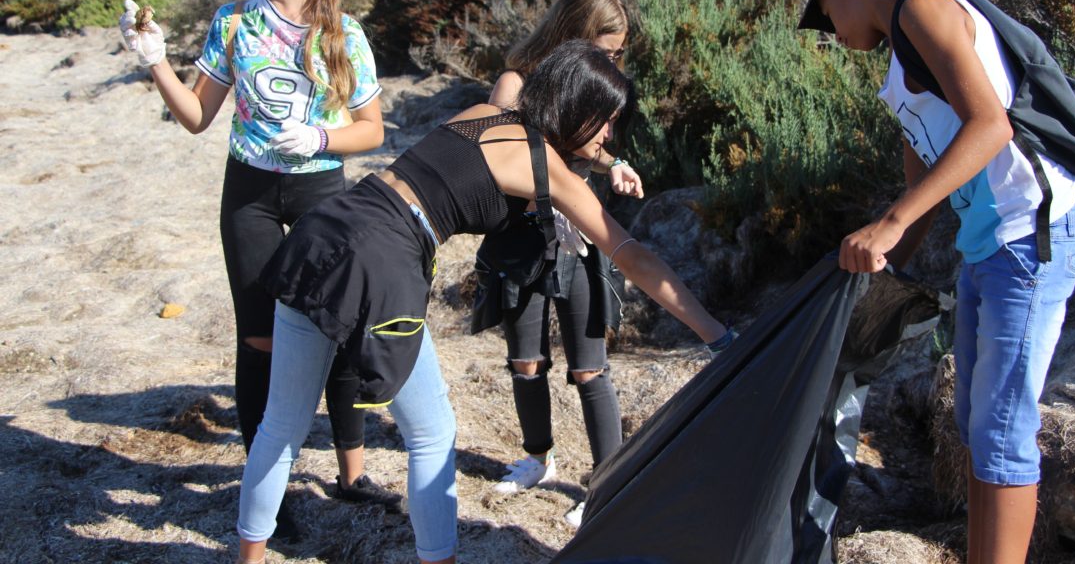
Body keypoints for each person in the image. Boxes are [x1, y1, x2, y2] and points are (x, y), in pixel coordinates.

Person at [235, 39, 737, 564]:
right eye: (606, 121)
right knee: (432, 433)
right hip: (384, 257)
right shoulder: (548, 169)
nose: (610, 135)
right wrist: (714, 333)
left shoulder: (485, 113)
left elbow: (532, 150)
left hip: (330, 225)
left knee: (282, 424)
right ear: (578, 109)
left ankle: (249, 557)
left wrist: (605, 159)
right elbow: (633, 258)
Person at [797, 0, 1075, 564]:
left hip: (1031, 233)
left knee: (1002, 430)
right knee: (977, 430)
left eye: (826, 13)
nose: (832, 32)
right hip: (986, 245)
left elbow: (990, 127)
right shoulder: (903, 59)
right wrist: (879, 258)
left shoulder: (923, 9)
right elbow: (923, 178)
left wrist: (890, 226)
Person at [117, 0, 401, 534]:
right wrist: (156, 61)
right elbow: (195, 119)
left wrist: (321, 139)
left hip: (321, 194)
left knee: (335, 332)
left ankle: (352, 476)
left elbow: (372, 129)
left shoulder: (341, 33)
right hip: (247, 193)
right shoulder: (231, 24)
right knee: (262, 341)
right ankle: (267, 496)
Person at [485, 0, 642, 527]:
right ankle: (537, 458)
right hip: (520, 238)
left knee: (589, 369)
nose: (609, 63)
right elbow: (496, 150)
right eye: (605, 49)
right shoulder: (516, 82)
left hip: (575, 237)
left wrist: (611, 164)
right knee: (525, 361)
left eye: (616, 55)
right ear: (572, 32)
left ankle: (606, 485)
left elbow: (588, 146)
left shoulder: (589, 85)